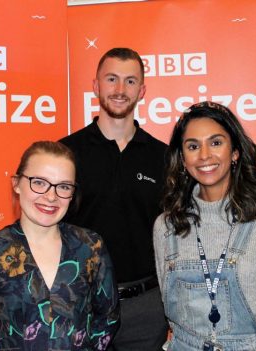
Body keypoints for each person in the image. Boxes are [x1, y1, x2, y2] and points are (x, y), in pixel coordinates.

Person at [153, 101, 256, 351]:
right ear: (182, 159)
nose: (204, 155)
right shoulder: (166, 227)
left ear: (234, 152)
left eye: (215, 143)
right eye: (193, 146)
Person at [0, 141, 119, 351]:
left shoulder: (90, 246)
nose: (51, 197)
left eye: (63, 186)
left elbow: (109, 317)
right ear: (16, 183)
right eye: (39, 182)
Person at [60, 48, 168, 350]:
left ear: (142, 91)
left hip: (146, 308)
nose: (120, 90)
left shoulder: (164, 157)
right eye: (112, 79)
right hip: (81, 303)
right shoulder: (65, 153)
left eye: (130, 81)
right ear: (96, 86)